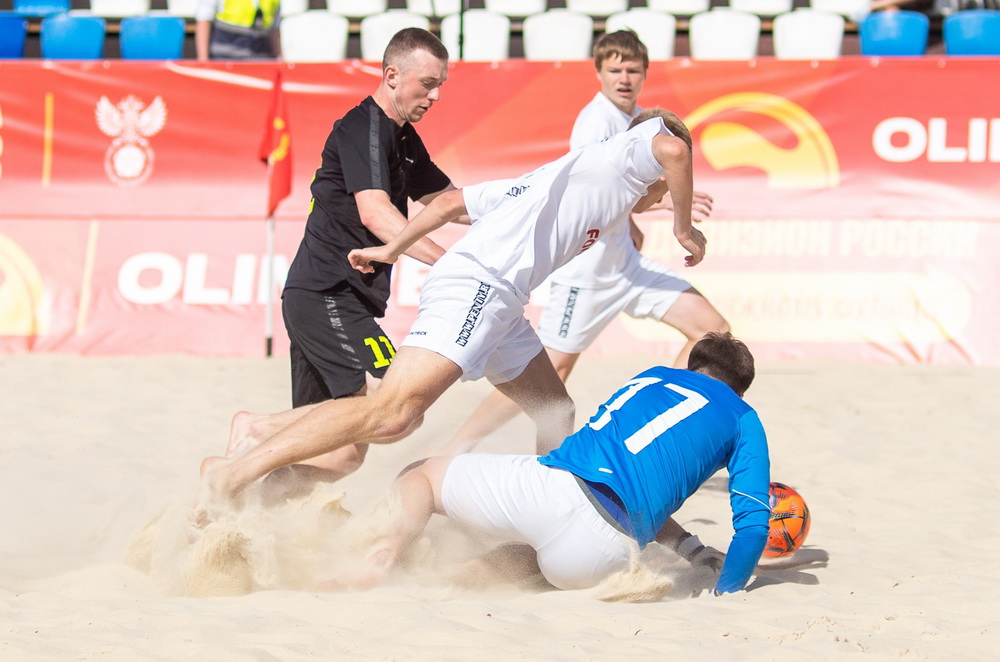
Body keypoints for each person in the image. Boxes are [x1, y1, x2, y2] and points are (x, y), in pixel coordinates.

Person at [201, 108, 705, 502]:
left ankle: (550, 507)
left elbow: (446, 203)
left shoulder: (569, 180)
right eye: (667, 188)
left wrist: (391, 249)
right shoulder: (629, 152)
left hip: (501, 300)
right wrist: (683, 228)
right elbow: (673, 147)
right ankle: (236, 470)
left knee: (554, 408)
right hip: (480, 287)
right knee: (392, 415)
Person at [442, 31, 728, 455]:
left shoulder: (641, 120)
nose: (624, 78)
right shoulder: (596, 122)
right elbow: (591, 193)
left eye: (632, 70)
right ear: (599, 73)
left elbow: (626, 185)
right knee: (547, 374)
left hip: (625, 266)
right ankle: (455, 447)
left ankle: (653, 433)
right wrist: (665, 205)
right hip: (586, 275)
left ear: (646, 73)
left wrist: (635, 220)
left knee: (712, 333)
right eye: (615, 70)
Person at [319, 332, 770, 596]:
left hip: (553, 491)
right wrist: (722, 585)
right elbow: (752, 527)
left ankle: (380, 561)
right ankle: (451, 578)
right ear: (740, 389)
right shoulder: (744, 419)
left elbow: (615, 476)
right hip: (599, 558)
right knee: (532, 557)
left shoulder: (652, 376)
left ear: (692, 367)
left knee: (422, 474)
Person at [224, 29, 459, 490]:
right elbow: (377, 214)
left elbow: (450, 201)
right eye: (428, 84)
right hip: (326, 294)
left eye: (440, 86)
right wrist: (450, 263)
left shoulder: (404, 139)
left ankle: (245, 500)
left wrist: (521, 206)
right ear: (392, 75)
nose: (435, 96)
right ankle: (255, 427)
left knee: (340, 454)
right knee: (395, 404)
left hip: (335, 300)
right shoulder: (362, 127)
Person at [195, 0, 282, 61]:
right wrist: (204, 62)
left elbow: (274, 29)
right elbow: (204, 20)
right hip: (225, 61)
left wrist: (279, 58)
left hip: (259, 61)